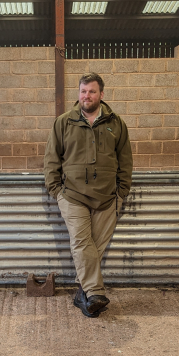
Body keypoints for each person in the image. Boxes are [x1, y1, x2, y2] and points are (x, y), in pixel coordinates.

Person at [44, 73, 133, 317]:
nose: (87, 96)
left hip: (108, 198)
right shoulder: (63, 122)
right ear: (78, 93)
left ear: (101, 94)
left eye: (92, 91)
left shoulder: (117, 124)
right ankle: (94, 292)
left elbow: (125, 161)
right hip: (73, 196)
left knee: (94, 247)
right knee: (82, 243)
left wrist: (121, 193)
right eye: (83, 91)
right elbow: (52, 159)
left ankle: (82, 296)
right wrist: (57, 191)